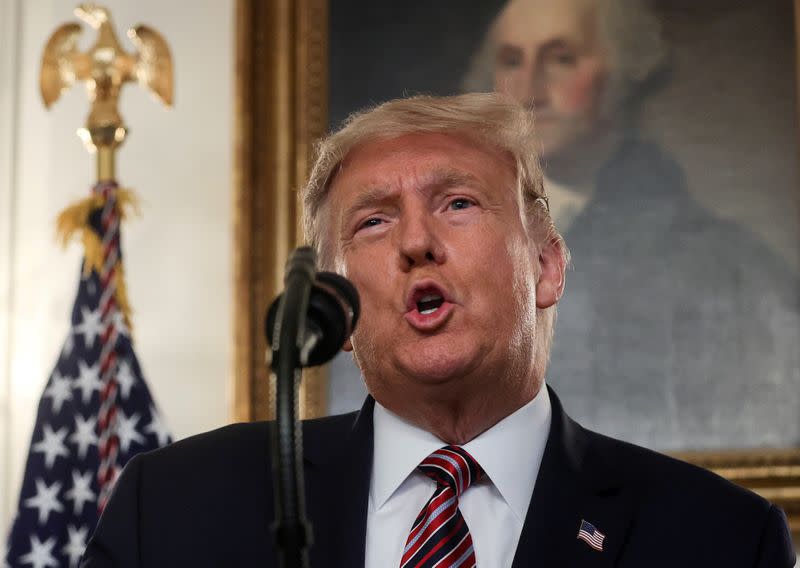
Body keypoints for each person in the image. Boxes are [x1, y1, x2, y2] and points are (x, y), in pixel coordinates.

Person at [81, 94, 794, 567]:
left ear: (546, 267)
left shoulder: (721, 539)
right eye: (374, 220)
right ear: (337, 304)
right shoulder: (174, 509)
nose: (416, 242)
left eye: (457, 203)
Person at [463, 0, 800, 449]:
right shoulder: (447, 248)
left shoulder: (729, 265)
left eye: (561, 58)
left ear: (625, 73)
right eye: (511, 60)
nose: (529, 87)